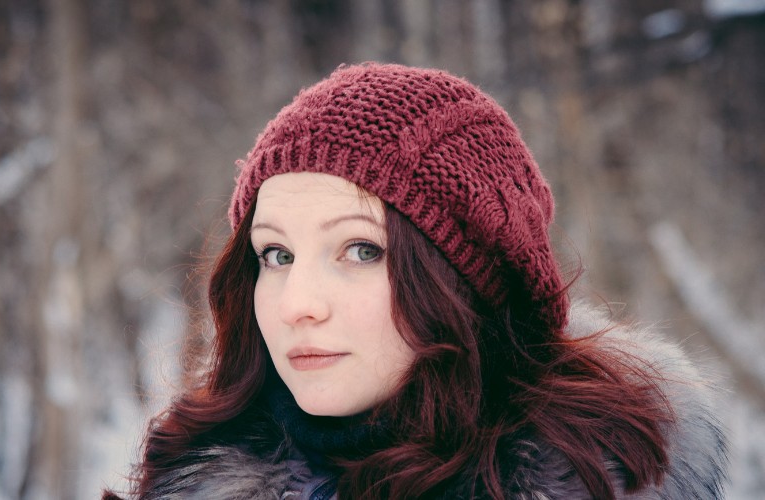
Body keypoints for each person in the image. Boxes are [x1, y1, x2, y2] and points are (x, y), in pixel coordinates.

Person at [105, 63, 728, 499]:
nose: (297, 305)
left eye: (359, 249)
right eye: (276, 255)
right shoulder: (198, 471)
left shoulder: (612, 476)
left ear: (468, 278)